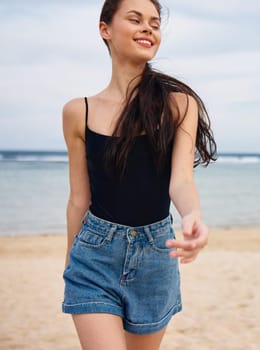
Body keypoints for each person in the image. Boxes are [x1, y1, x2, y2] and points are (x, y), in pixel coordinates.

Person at [61, 0, 216, 348]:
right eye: (135, 19)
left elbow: (181, 180)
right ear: (105, 29)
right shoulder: (77, 112)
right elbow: (78, 199)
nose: (148, 28)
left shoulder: (179, 104)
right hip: (94, 257)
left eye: (155, 23)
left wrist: (193, 216)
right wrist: (70, 265)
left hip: (155, 257)